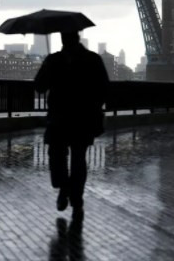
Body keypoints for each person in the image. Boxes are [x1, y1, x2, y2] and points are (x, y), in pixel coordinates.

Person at [34, 30, 109, 220]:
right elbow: (104, 88)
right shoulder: (92, 59)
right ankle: (73, 195)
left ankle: (68, 192)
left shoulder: (54, 60)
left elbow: (39, 86)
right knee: (75, 159)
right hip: (79, 119)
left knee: (63, 157)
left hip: (66, 118)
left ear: (66, 39)